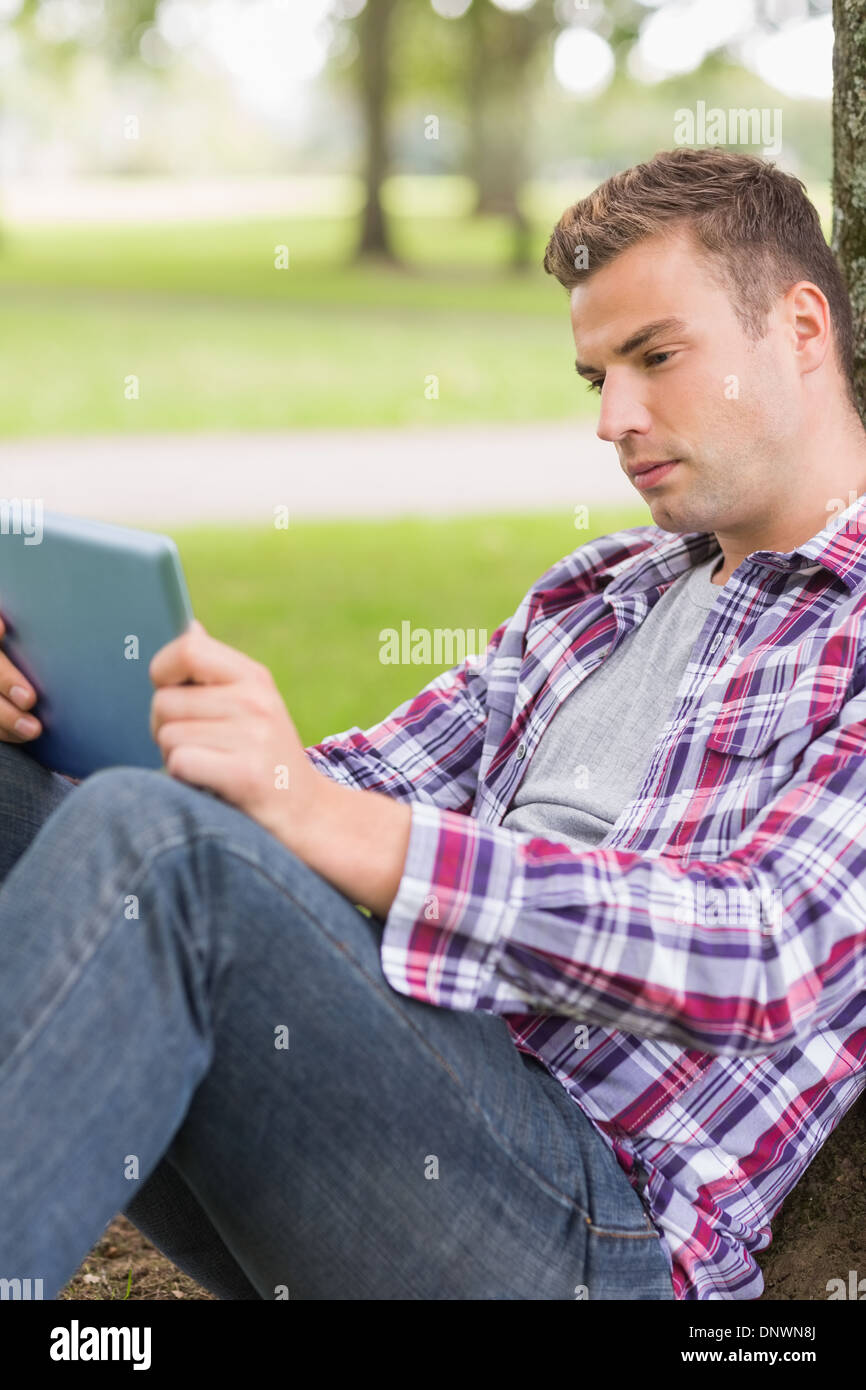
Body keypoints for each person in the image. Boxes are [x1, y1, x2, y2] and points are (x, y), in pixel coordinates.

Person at [2, 147, 866, 1303]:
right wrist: (73, 714)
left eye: (654, 358)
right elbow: (349, 787)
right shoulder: (596, 596)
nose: (613, 419)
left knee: (165, 853)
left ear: (800, 327)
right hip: (386, 1128)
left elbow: (760, 960)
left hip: (593, 1234)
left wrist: (302, 812)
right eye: (594, 376)